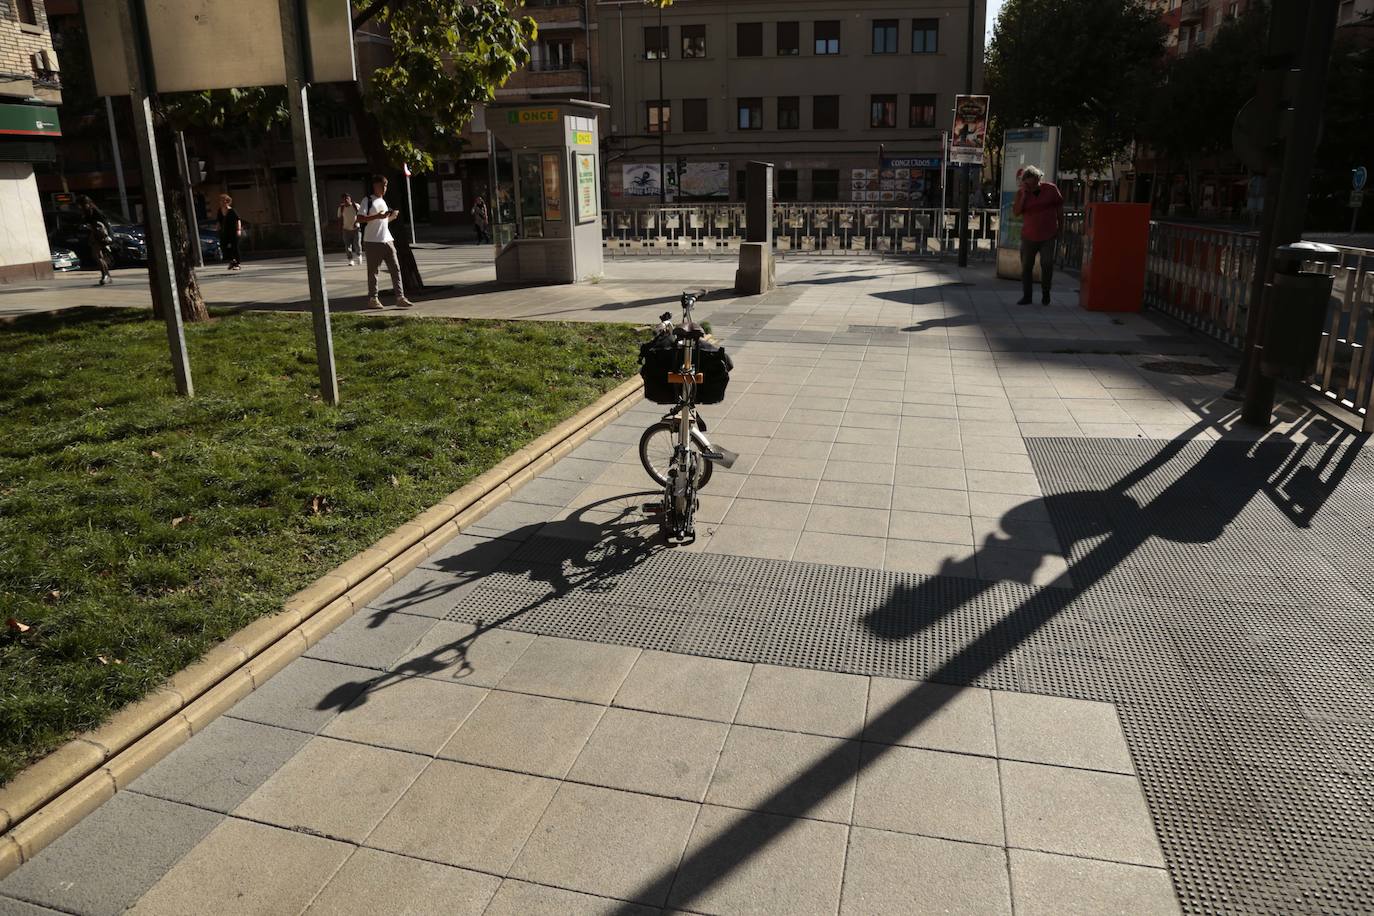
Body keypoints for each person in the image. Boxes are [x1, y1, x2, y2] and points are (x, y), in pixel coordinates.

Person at [358, 175, 414, 309]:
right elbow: (360, 219)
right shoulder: (368, 200)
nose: (385, 188)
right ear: (375, 186)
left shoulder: (383, 201)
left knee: (396, 269)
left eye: (386, 185)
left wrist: (391, 217)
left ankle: (400, 297)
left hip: (387, 239)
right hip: (372, 241)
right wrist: (378, 216)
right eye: (382, 185)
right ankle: (373, 299)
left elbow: (381, 222)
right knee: (373, 271)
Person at [1012, 165, 1063, 305]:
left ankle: (1046, 293)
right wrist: (1023, 196)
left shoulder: (1051, 189)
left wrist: (1061, 227)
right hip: (1029, 235)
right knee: (1027, 266)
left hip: (1048, 234)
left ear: (1038, 179)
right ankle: (1027, 296)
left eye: (1033, 183)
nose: (1031, 186)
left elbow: (1059, 208)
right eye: (1027, 183)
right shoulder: (1021, 193)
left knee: (1047, 264)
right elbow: (1016, 212)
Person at [80, 197, 114, 286]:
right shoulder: (87, 212)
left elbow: (106, 224)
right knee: (98, 256)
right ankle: (106, 275)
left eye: (82, 205)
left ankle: (106, 276)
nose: (80, 207)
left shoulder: (95, 212)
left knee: (98, 256)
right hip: (95, 236)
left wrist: (110, 236)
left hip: (100, 236)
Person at [217, 193, 242, 271]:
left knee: (235, 247)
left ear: (227, 201)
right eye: (221, 201)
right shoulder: (219, 211)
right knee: (223, 247)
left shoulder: (232, 210)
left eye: (224, 201)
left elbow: (238, 220)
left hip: (233, 231)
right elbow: (218, 221)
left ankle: (237, 264)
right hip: (224, 232)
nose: (222, 202)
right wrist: (217, 228)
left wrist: (238, 230)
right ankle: (232, 261)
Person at [337, 193, 361, 265]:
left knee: (357, 244)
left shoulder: (356, 206)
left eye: (347, 198)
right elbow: (339, 218)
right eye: (344, 199)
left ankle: (359, 255)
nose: (346, 200)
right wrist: (339, 228)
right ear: (342, 200)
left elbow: (361, 216)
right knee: (347, 246)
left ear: (350, 198)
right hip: (346, 229)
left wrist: (356, 222)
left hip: (356, 228)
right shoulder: (341, 208)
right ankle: (350, 260)